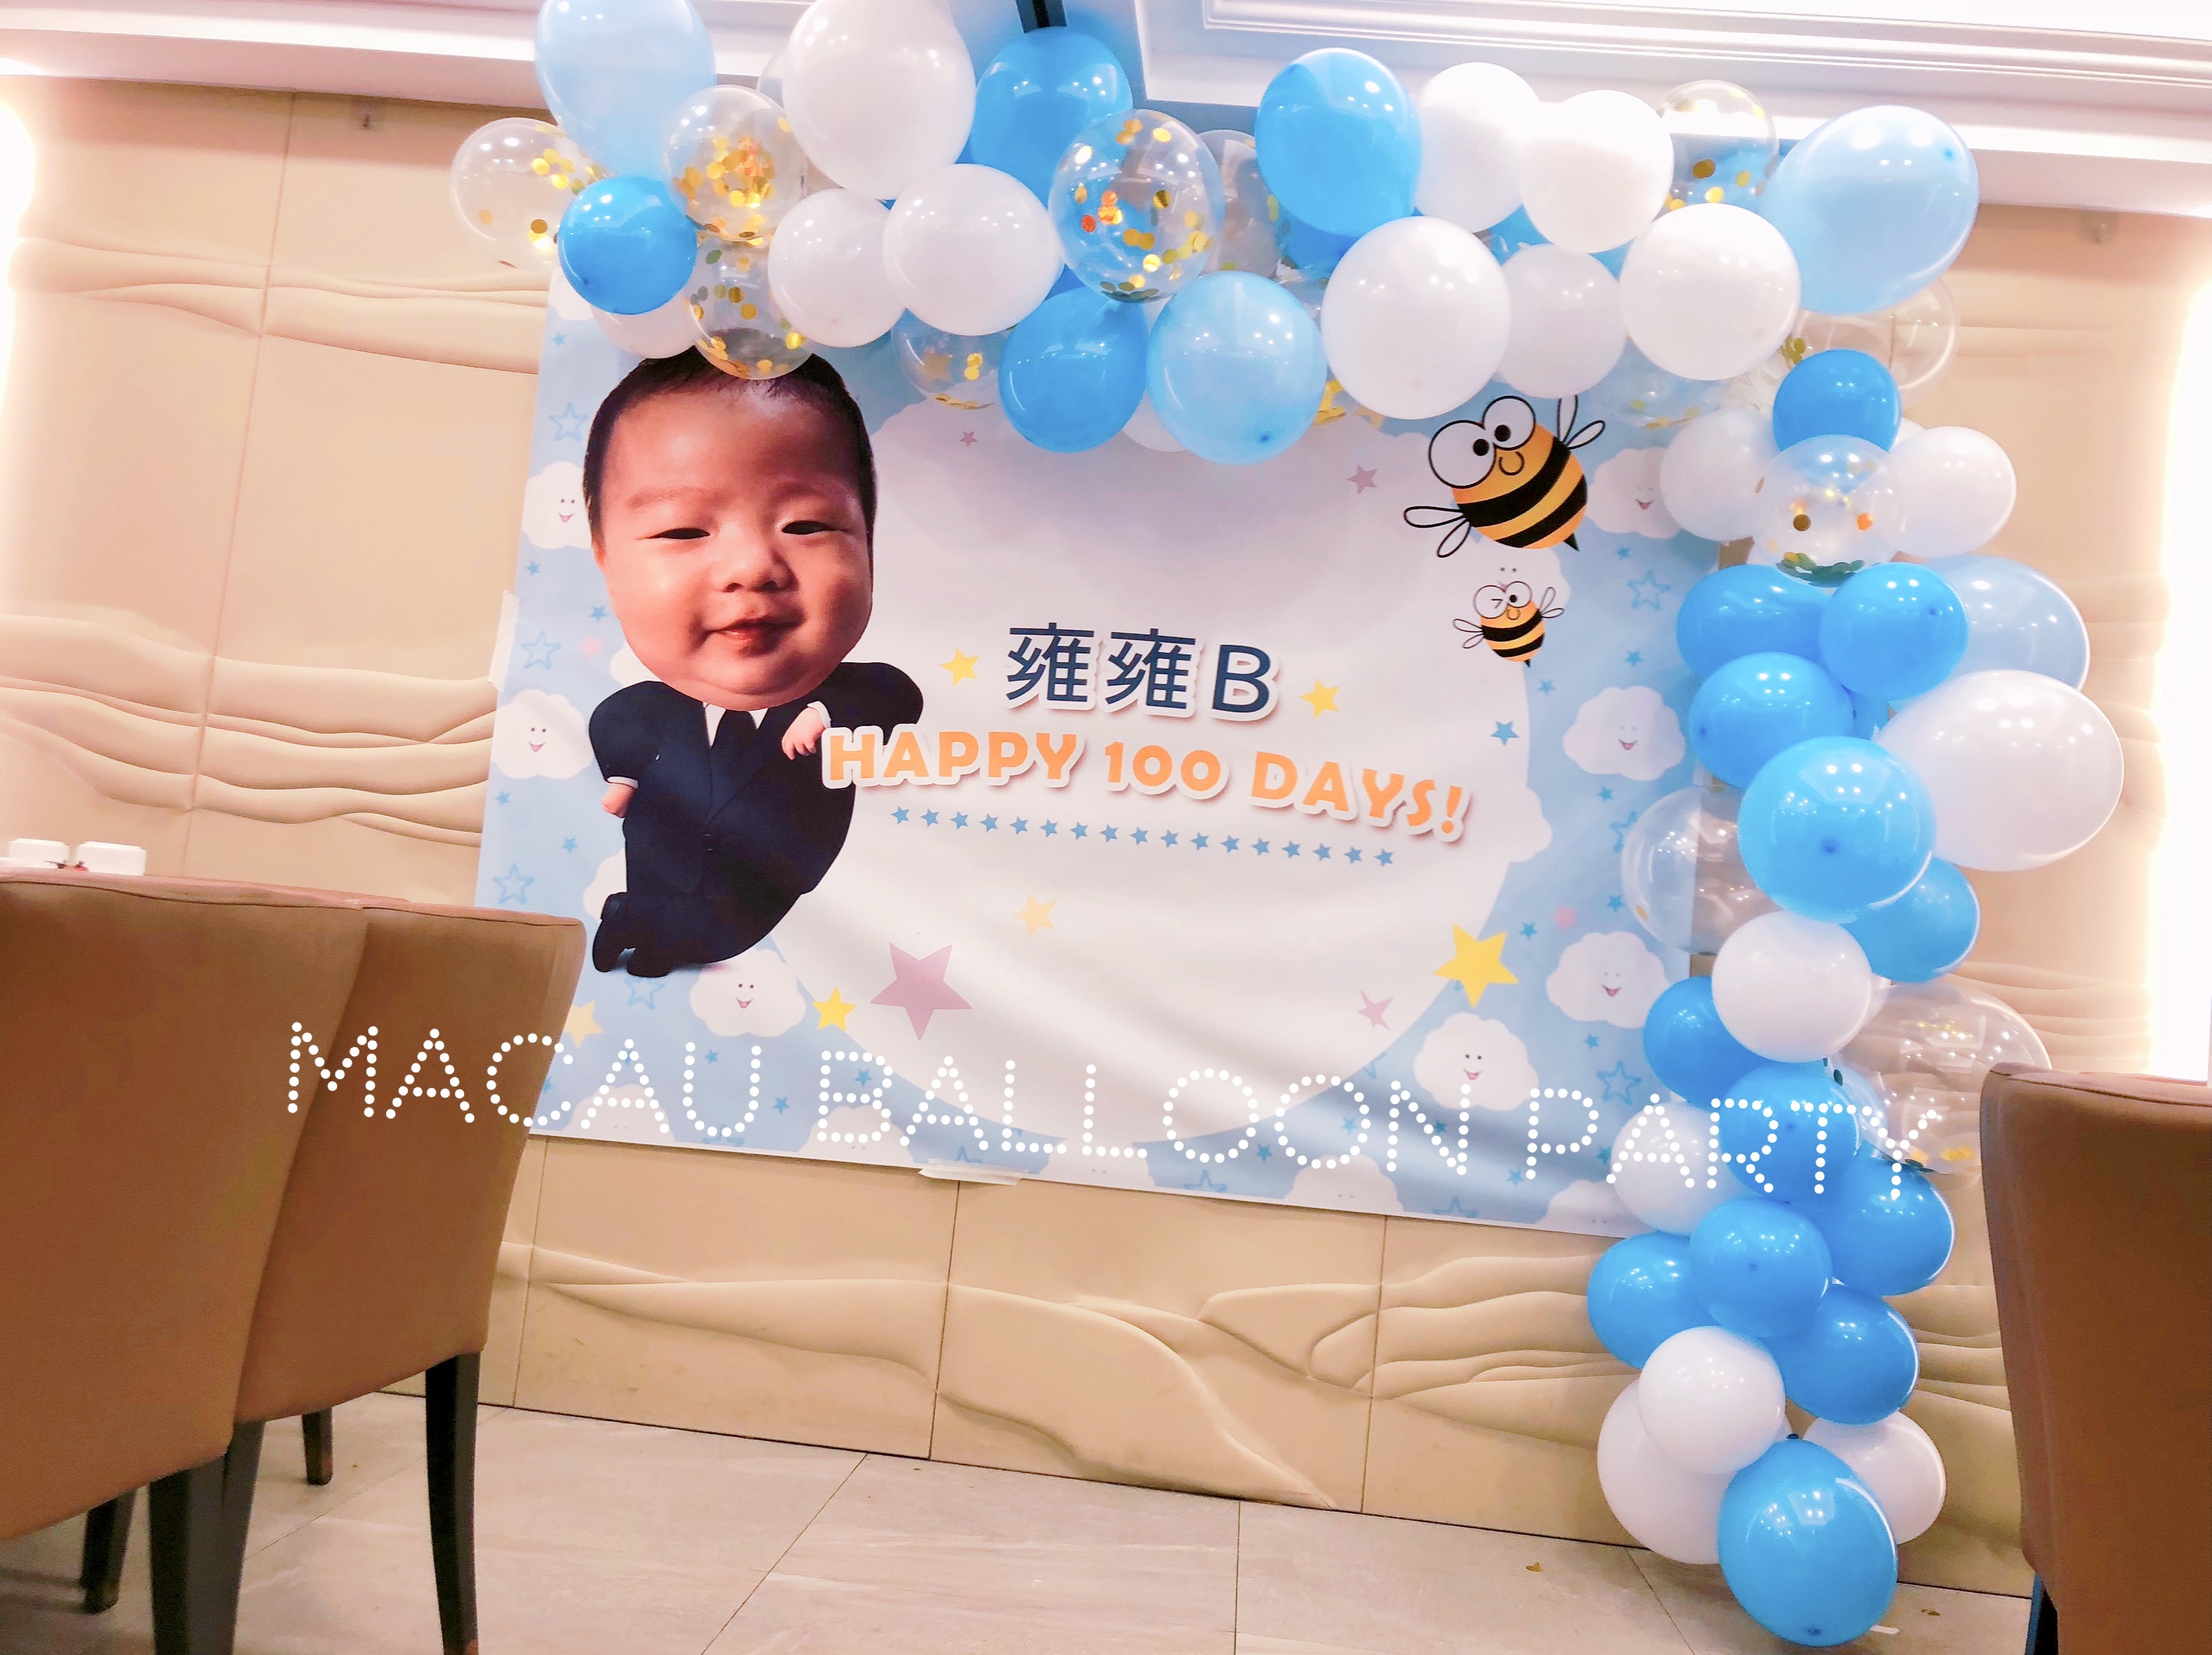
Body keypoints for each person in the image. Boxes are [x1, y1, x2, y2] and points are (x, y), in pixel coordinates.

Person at [585, 352, 922, 977]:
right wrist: (624, 779)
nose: (751, 568)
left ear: (869, 544)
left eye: (807, 524)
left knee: (719, 935)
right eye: (683, 532)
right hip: (664, 852)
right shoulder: (652, 708)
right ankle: (631, 923)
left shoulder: (851, 694)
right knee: (662, 919)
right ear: (604, 559)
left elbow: (894, 694)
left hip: (769, 876)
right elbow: (618, 719)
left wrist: (823, 713)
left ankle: (639, 926)